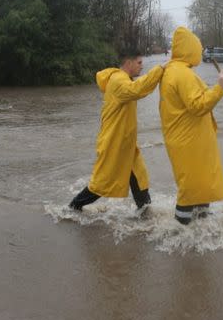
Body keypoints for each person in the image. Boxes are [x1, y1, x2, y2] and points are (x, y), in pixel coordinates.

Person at [69, 50, 164, 213]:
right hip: (114, 143)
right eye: (139, 63)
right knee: (101, 184)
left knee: (139, 176)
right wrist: (160, 69)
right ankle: (73, 207)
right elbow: (137, 90)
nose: (142, 67)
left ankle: (145, 213)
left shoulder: (123, 78)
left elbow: (137, 86)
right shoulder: (119, 80)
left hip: (125, 143)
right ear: (129, 63)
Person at [159, 27, 223, 225]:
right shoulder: (182, 74)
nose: (200, 53)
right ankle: (181, 231)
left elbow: (193, 100)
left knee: (199, 184)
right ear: (190, 50)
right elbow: (198, 105)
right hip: (190, 142)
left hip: (187, 139)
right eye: (197, 49)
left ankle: (200, 227)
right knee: (191, 188)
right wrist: (220, 87)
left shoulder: (175, 71)